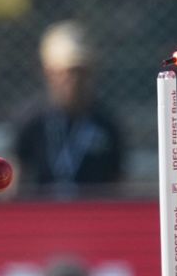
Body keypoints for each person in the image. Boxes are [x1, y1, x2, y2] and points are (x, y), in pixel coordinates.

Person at [14, 21, 125, 197]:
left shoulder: (105, 123)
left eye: (81, 72)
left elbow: (117, 181)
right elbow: (17, 176)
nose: (74, 81)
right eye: (67, 73)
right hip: (40, 215)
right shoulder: (32, 121)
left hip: (93, 215)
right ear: (49, 72)